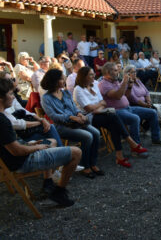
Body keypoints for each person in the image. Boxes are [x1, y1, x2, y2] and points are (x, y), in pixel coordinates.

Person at [0, 77, 81, 206]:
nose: (14, 97)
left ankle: (48, 182)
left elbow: (12, 146)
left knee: (51, 141)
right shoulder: (3, 120)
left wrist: (30, 144)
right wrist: (37, 147)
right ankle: (59, 192)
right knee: (76, 152)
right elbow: (17, 151)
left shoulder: (3, 116)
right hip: (22, 162)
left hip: (17, 155)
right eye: (10, 94)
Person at [73, 67, 147, 167]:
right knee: (113, 118)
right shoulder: (78, 89)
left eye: (93, 73)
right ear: (84, 77)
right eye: (91, 74)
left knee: (113, 123)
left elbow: (103, 102)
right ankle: (130, 145)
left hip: (100, 113)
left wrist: (97, 108)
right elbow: (88, 108)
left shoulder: (94, 84)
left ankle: (121, 155)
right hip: (87, 118)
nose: (94, 75)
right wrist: (97, 107)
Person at [41, 69, 103, 179]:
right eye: (61, 78)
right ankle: (85, 166)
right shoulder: (46, 98)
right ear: (54, 81)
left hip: (76, 122)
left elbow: (74, 107)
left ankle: (93, 163)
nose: (64, 79)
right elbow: (53, 116)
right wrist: (70, 117)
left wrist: (79, 114)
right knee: (88, 136)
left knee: (96, 133)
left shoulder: (65, 93)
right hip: (61, 126)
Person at [98, 62, 161, 146]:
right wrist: (124, 82)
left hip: (128, 108)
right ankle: (136, 146)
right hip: (117, 111)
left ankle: (156, 139)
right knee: (135, 118)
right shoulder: (104, 84)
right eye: (116, 70)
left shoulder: (114, 82)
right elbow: (118, 96)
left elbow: (125, 96)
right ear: (108, 72)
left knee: (152, 113)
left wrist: (129, 86)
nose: (118, 72)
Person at [1, 71, 63, 147]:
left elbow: (24, 111)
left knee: (50, 133)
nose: (12, 81)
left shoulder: (11, 96)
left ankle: (62, 152)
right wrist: (39, 123)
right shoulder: (3, 106)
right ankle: (63, 153)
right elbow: (16, 124)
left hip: (24, 133)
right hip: (20, 137)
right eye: (9, 80)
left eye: (12, 79)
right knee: (52, 138)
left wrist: (41, 120)